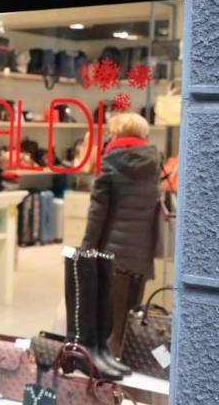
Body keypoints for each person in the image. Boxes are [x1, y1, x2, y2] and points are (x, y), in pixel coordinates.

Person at [81, 112, 160, 356]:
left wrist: (86, 248)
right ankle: (129, 361)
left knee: (111, 322)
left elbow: (97, 212)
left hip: (114, 253)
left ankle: (109, 367)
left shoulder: (111, 162)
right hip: (142, 254)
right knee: (132, 317)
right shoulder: (154, 162)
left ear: (118, 134)